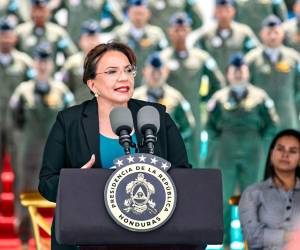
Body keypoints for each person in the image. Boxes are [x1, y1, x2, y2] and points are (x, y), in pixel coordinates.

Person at [38, 42, 191, 250]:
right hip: (89, 235)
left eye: (128, 70)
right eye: (112, 72)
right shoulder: (69, 122)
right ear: (92, 85)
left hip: (150, 236)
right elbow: (46, 183)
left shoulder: (155, 117)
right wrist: (75, 182)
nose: (124, 78)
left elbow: (184, 175)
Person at [205, 53, 279, 247]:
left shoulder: (260, 97)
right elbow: (210, 127)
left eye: (242, 70)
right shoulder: (219, 98)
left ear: (247, 72)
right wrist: (222, 141)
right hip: (226, 152)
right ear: (228, 73)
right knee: (224, 197)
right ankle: (226, 242)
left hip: (252, 151)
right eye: (234, 70)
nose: (238, 74)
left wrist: (260, 142)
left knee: (253, 198)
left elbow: (272, 124)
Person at [9, 41, 74, 243]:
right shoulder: (23, 91)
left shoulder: (62, 92)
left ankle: (59, 241)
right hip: (29, 153)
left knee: (62, 198)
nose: (43, 65)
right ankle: (25, 241)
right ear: (34, 64)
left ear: (52, 64)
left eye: (46, 61)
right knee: (26, 196)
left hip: (54, 155)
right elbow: (15, 119)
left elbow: (70, 120)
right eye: (39, 61)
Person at [160, 11, 225, 167]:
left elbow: (218, 84)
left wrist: (204, 99)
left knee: (194, 157)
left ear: (189, 31)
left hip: (194, 115)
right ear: (170, 32)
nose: (180, 34)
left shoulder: (201, 57)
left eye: (183, 29)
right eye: (176, 30)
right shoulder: (163, 58)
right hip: (169, 115)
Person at [239, 129, 300, 250]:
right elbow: (251, 238)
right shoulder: (252, 193)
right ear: (271, 154)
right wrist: (291, 236)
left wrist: (269, 235)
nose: (285, 154)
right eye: (280, 149)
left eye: (292, 151)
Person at [133, 52, 196, 166]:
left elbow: (188, 126)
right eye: (153, 72)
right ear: (145, 72)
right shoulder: (134, 98)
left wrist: (174, 143)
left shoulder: (176, 97)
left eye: (159, 72)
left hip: (169, 157)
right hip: (141, 156)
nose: (156, 76)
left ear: (166, 72)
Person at [245, 15, 300, 130]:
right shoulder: (251, 60)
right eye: (269, 33)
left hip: (287, 118)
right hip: (260, 120)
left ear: (282, 33)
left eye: (276, 32)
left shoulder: (294, 58)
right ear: (261, 34)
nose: (273, 36)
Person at [0, 16, 33, 191]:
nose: (5, 39)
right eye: (2, 35)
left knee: (19, 170)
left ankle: (21, 216)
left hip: (17, 125)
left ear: (15, 38)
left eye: (8, 35)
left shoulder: (25, 63)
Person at [190, 0, 259, 74]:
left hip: (237, 78)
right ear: (215, 12)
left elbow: (255, 52)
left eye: (227, 10)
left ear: (233, 11)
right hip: (214, 81)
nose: (224, 15)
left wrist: (243, 64)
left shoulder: (243, 32)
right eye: (220, 11)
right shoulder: (206, 35)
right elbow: (195, 52)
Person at [112, 0, 169, 86]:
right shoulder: (119, 34)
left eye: (141, 13)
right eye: (135, 13)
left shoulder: (157, 34)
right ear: (129, 13)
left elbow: (164, 56)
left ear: (148, 14)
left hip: (148, 84)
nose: (138, 17)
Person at [15, 0, 77, 69]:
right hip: (25, 77)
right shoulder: (20, 32)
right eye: (36, 10)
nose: (39, 14)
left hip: (50, 77)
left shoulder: (58, 32)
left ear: (48, 12)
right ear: (31, 11)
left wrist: (62, 70)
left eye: (42, 10)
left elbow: (72, 55)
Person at [61, 19, 103, 104]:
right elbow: (64, 89)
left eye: (94, 38)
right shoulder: (72, 63)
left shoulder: (110, 62)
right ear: (81, 41)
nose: (91, 42)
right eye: (88, 38)